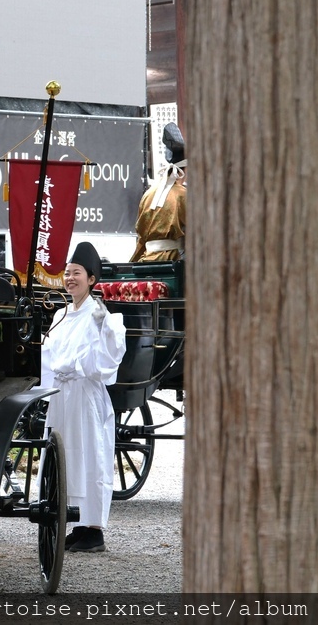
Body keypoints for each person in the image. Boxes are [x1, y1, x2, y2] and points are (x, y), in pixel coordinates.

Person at [40, 242, 126, 553]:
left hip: (85, 395)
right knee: (66, 456)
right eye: (67, 273)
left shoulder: (99, 313)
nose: (70, 278)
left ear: (91, 279)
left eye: (76, 273)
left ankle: (94, 529)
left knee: (90, 456)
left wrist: (107, 330)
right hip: (62, 395)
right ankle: (76, 524)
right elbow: (48, 354)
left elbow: (111, 351)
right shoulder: (61, 314)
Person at [131, 122, 186, 262]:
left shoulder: (148, 194)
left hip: (146, 260)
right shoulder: (183, 195)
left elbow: (141, 237)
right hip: (174, 261)